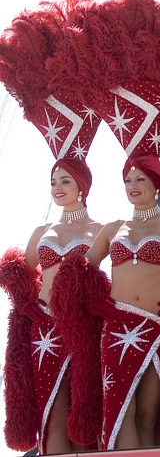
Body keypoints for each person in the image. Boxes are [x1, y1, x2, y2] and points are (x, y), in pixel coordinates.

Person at [53, 154, 160, 450]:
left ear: (157, 185)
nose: (133, 186)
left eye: (140, 180)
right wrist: (94, 304)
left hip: (158, 328)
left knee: (149, 416)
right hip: (117, 328)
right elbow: (78, 271)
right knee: (121, 412)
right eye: (127, 181)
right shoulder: (113, 228)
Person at [0, 159, 101, 454]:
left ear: (82, 186)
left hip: (82, 327)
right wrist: (25, 303)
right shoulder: (42, 231)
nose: (57, 188)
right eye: (54, 182)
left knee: (82, 413)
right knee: (52, 415)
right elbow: (18, 272)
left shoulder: (102, 229)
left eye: (65, 181)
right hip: (43, 330)